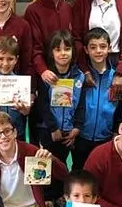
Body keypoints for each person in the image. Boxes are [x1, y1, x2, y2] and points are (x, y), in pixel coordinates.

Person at [36, 30, 85, 178]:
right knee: (46, 165)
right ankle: (48, 197)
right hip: (49, 131)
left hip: (69, 132)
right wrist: (53, 127)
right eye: (58, 49)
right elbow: (42, 105)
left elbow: (81, 105)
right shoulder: (46, 76)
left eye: (67, 49)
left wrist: (77, 127)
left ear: (73, 51)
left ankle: (61, 196)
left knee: (63, 167)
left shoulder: (79, 76)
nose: (63, 53)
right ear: (51, 53)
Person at [71, 28, 119, 171]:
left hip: (105, 136)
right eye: (93, 47)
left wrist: (116, 130)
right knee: (79, 170)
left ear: (109, 48)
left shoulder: (116, 78)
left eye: (103, 46)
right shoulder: (80, 76)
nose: (98, 51)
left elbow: (119, 108)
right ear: (86, 50)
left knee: (102, 171)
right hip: (82, 135)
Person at [24, 0, 72, 85]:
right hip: (43, 74)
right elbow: (34, 46)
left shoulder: (68, 8)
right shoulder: (33, 10)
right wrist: (43, 70)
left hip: (67, 71)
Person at [0, 35, 31, 144]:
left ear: (16, 60)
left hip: (17, 132)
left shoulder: (21, 83)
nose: (5, 63)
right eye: (1, 58)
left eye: (10, 59)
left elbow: (26, 112)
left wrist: (24, 110)